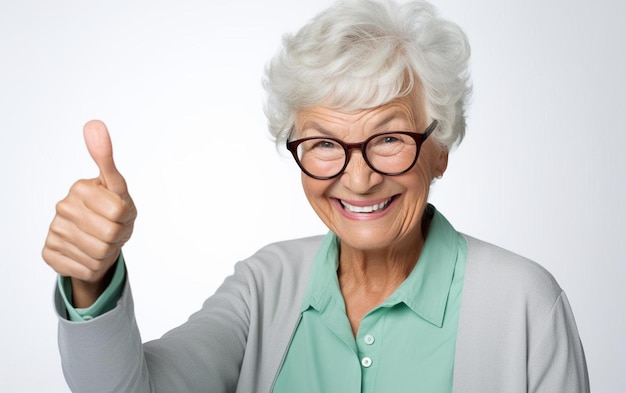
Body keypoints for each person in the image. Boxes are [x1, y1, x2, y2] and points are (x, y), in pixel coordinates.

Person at [42, 0, 590, 392]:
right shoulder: (265, 284)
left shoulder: (525, 304)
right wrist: (92, 277)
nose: (358, 179)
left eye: (389, 139)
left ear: (439, 147)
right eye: (326, 143)